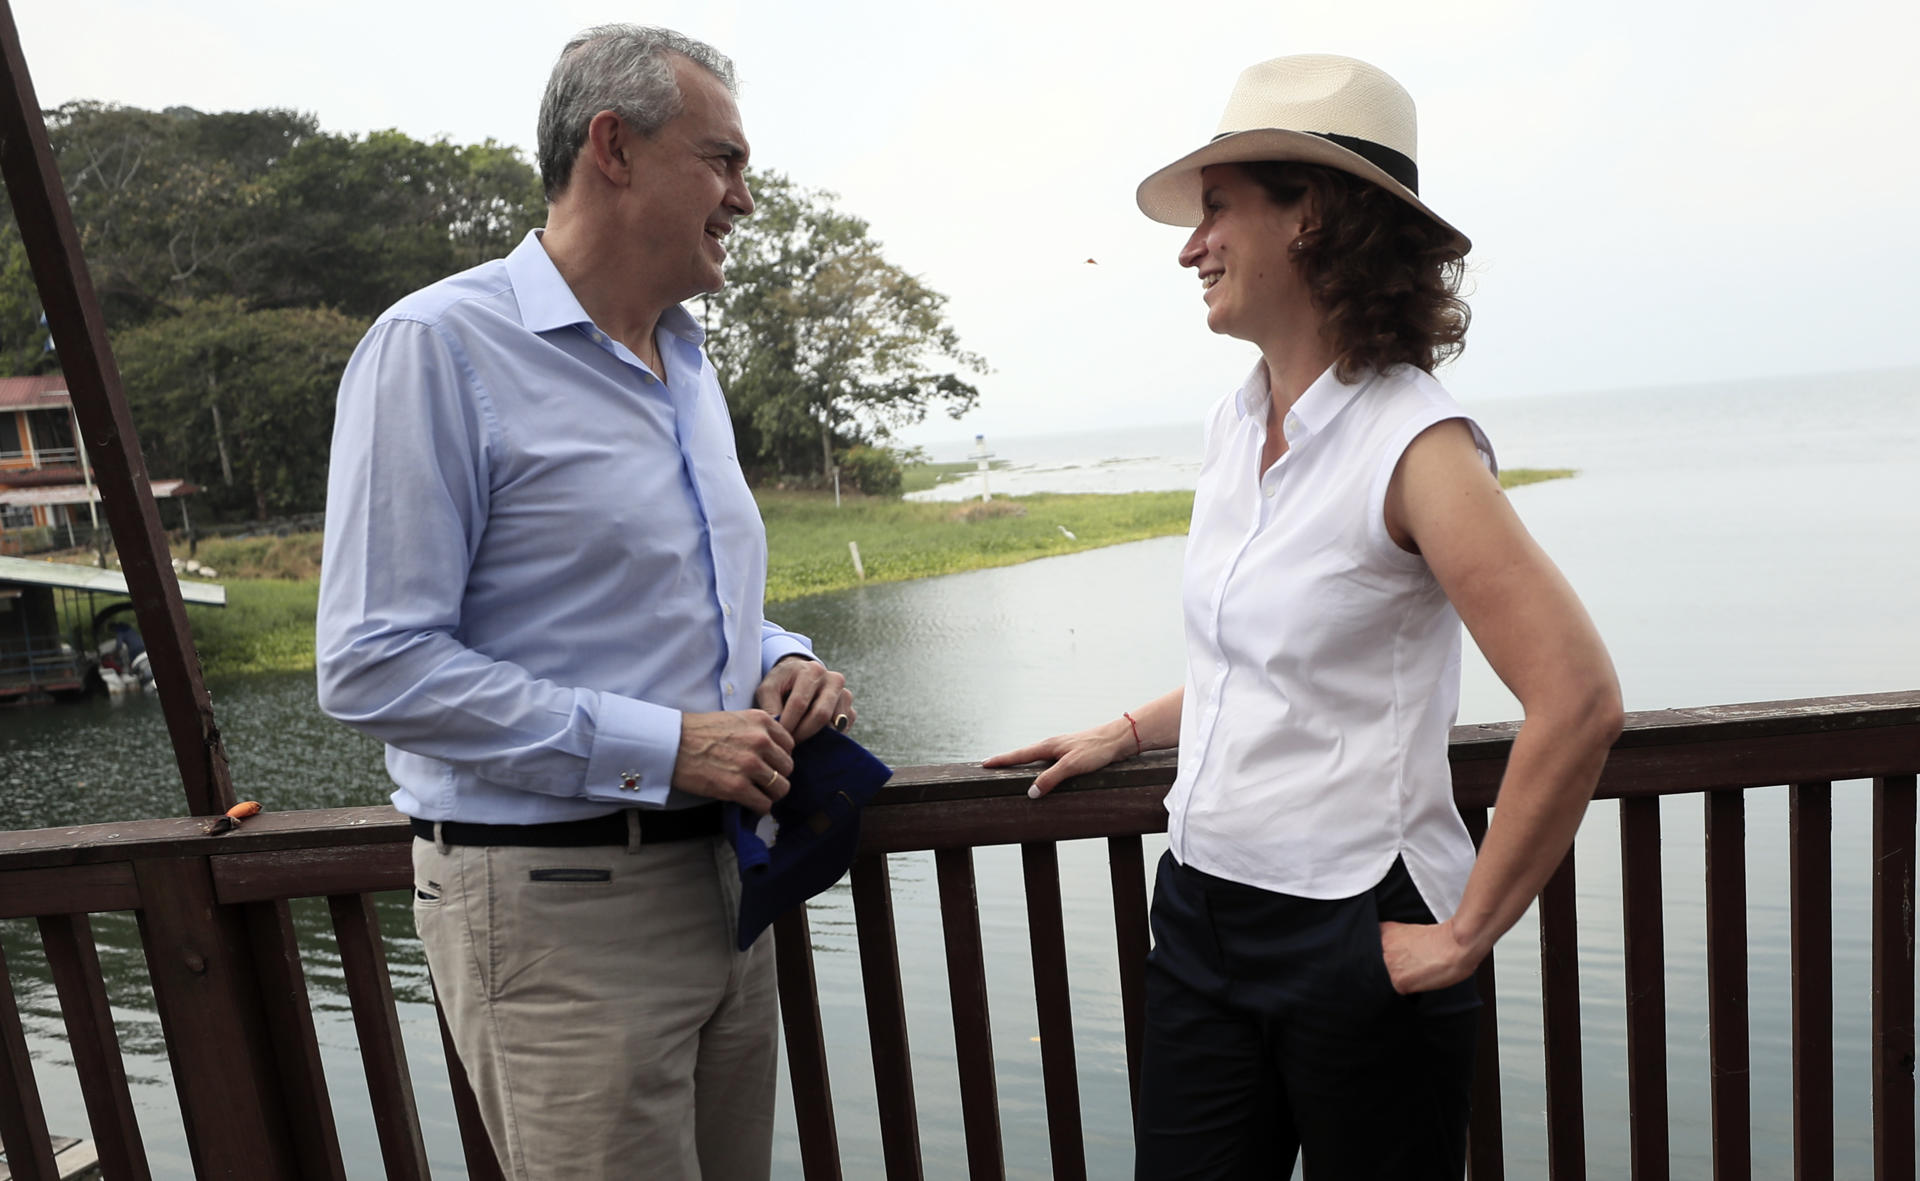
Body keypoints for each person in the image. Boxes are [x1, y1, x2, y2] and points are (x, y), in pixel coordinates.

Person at [985, 55, 1622, 1179]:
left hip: (1352, 930)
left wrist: (1466, 933)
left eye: (1219, 206)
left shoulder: (1416, 445)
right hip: (1197, 911)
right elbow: (1269, 663)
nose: (1191, 244)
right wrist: (1129, 730)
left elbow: (1577, 697)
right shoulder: (1237, 426)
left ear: (1312, 214)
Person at [315, 26, 855, 1181]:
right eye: (721, 160)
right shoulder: (438, 346)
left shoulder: (687, 360)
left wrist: (781, 655)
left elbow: (677, 596)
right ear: (612, 145)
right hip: (555, 907)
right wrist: (666, 746)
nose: (745, 198)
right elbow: (372, 660)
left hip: (722, 883)